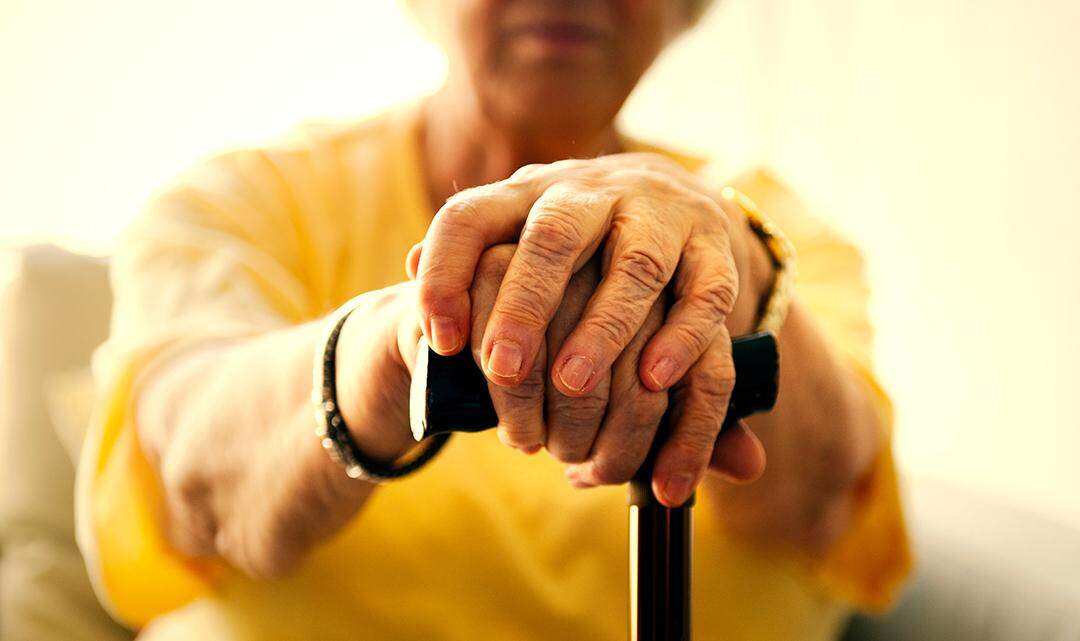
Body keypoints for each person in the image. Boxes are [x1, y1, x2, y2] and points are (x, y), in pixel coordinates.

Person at [76, 1, 910, 639]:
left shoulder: (778, 228)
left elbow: (825, 500)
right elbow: (191, 474)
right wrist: (404, 344)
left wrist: (733, 261)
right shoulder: (240, 203)